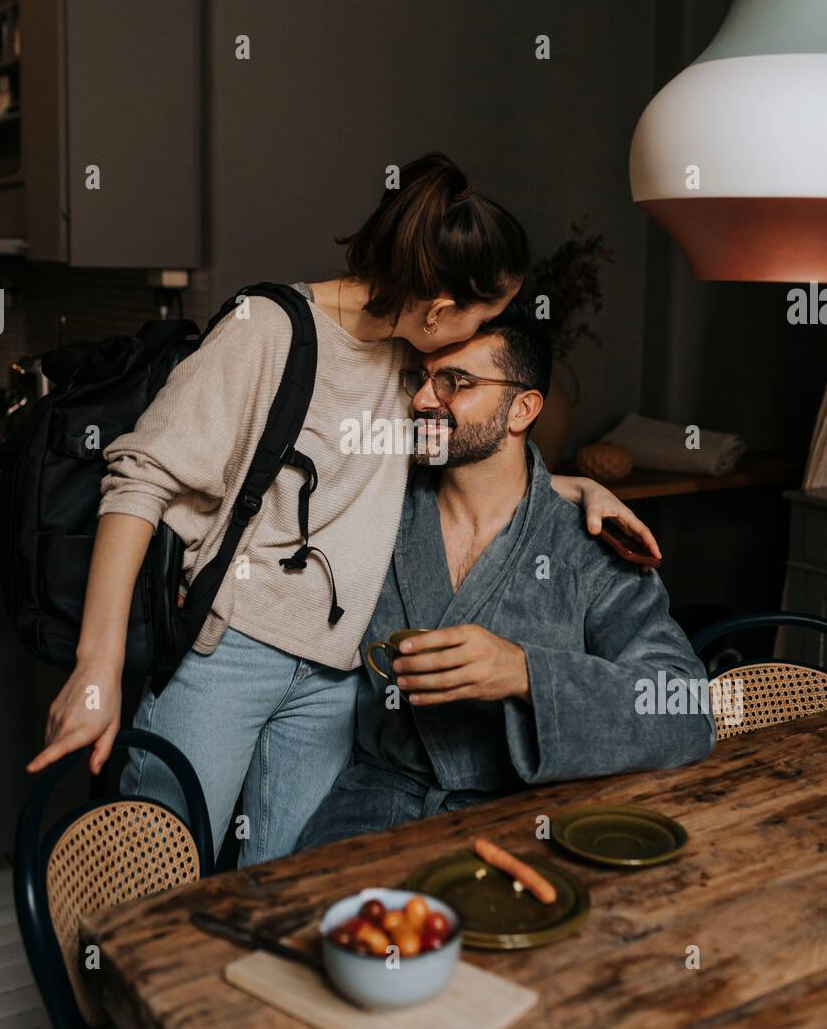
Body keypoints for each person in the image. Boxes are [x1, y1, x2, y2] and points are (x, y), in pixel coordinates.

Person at [29, 152, 660, 867]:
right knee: (155, 870)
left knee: (288, 889)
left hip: (335, 680)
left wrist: (571, 489)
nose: (489, 328)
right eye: (486, 312)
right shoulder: (266, 331)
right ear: (440, 309)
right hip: (228, 653)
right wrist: (97, 666)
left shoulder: (411, 363)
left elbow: (472, 446)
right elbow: (139, 480)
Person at [297, 301, 714, 849]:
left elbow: (684, 710)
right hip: (375, 809)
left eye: (456, 382)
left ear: (522, 410)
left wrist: (526, 675)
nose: (424, 400)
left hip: (530, 815)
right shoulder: (373, 506)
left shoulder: (588, 545)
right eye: (422, 379)